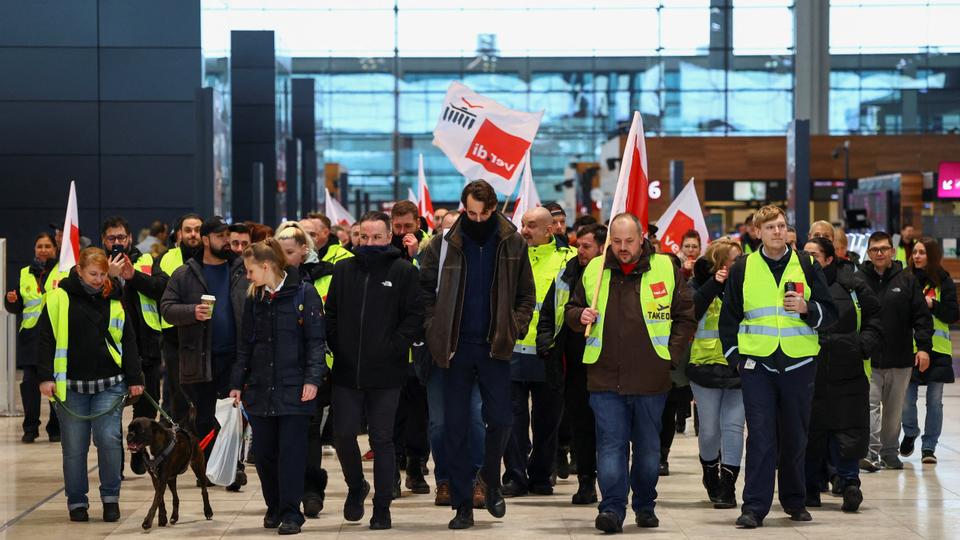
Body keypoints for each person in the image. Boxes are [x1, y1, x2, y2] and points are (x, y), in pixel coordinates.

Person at [564, 213, 696, 533]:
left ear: (641, 239)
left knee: (648, 448)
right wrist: (579, 315)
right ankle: (611, 508)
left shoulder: (665, 268)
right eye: (618, 241)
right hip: (604, 376)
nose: (623, 248)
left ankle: (645, 504)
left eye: (630, 241)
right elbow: (571, 310)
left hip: (652, 378)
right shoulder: (594, 270)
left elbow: (685, 317)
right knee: (610, 445)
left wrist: (669, 357)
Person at [419, 180, 536, 530]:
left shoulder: (512, 241)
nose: (478, 219)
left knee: (501, 419)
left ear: (494, 208)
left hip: (495, 346)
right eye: (471, 212)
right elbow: (424, 291)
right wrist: (433, 327)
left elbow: (525, 295)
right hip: (454, 348)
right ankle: (462, 505)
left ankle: (489, 479)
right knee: (455, 428)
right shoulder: (443, 244)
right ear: (463, 207)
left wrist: (514, 326)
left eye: (485, 213)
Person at [718, 205, 837, 528]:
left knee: (796, 436)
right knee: (760, 437)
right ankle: (754, 507)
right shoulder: (743, 268)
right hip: (757, 366)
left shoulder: (807, 265)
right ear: (757, 232)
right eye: (770, 227)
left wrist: (807, 308)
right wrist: (736, 359)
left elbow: (831, 313)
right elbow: (728, 319)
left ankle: (795, 500)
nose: (777, 232)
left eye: (782, 226)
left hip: (799, 363)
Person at [324, 211, 423, 530]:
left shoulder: (403, 270)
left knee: (382, 439)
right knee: (343, 435)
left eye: (377, 237)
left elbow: (413, 317)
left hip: (387, 372)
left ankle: (382, 506)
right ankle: (356, 487)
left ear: (388, 235)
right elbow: (332, 314)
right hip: (346, 370)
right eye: (363, 237)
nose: (369, 243)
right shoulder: (343, 270)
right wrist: (338, 344)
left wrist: (394, 347)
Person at [36, 247, 144, 522]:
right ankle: (76, 501)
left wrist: (135, 379)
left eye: (102, 274)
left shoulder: (115, 299)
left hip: (109, 385)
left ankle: (110, 498)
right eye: (92, 274)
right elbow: (46, 339)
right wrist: (46, 376)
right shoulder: (59, 298)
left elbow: (128, 341)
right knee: (74, 447)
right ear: (79, 271)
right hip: (70, 387)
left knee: (109, 441)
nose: (98, 280)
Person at [229, 239, 326, 535]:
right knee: (264, 452)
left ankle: (290, 513)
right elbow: (245, 345)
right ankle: (274, 506)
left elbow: (315, 342)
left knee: (292, 454)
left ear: (266, 266)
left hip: (294, 387)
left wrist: (312, 379)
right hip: (259, 388)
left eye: (250, 270)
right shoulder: (254, 298)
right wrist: (237, 383)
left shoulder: (304, 294)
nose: (247, 275)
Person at [159, 217, 248, 475]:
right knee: (207, 417)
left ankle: (232, 468)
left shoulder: (241, 270)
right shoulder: (186, 273)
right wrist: (191, 312)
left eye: (227, 236)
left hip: (235, 357)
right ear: (206, 240)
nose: (227, 241)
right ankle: (210, 468)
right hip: (201, 358)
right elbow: (166, 308)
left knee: (233, 416)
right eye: (220, 237)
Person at [802, 237, 881, 513]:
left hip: (847, 371)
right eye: (805, 254)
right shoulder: (797, 285)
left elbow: (875, 318)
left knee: (847, 431)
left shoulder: (852, 285)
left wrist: (863, 344)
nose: (808, 259)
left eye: (814, 255)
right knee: (811, 433)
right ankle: (809, 489)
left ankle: (849, 484)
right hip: (808, 371)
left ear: (828, 259)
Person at [501, 207, 575, 497]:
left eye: (531, 225)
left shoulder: (567, 260)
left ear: (549, 230)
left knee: (547, 421)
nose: (524, 230)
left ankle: (542, 475)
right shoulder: (510, 257)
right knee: (512, 419)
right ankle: (516, 476)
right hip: (512, 351)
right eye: (522, 224)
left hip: (549, 353)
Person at [537, 223, 606, 505]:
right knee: (582, 426)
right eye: (578, 245)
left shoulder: (610, 277)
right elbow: (548, 310)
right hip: (574, 367)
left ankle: (614, 482)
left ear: (603, 248)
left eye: (586, 246)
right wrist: (546, 342)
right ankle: (586, 482)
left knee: (610, 430)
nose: (580, 251)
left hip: (606, 366)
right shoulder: (568, 274)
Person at [423, 211, 486, 508]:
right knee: (439, 424)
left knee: (474, 419)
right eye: (446, 229)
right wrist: (432, 329)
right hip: (438, 355)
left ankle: (475, 480)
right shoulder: (430, 256)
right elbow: (422, 298)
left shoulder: (481, 256)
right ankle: (445, 480)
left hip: (473, 351)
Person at [859, 231, 932, 471]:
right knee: (869, 408)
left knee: (893, 411)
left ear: (892, 251)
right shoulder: (859, 279)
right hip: (869, 359)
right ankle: (870, 453)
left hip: (900, 359)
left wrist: (923, 348)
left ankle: (890, 452)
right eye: (874, 249)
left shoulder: (907, 280)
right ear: (868, 253)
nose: (879, 253)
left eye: (883, 249)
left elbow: (921, 317)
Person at [100, 216, 163, 475]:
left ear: (130, 238)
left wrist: (132, 275)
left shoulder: (145, 261)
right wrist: (112, 278)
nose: (117, 243)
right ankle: (116, 460)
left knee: (148, 405)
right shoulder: (95, 264)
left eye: (121, 238)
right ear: (104, 240)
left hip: (146, 347)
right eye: (112, 238)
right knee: (111, 411)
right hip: (111, 351)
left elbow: (162, 287)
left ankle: (139, 449)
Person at [687, 237, 744, 509]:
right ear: (720, 263)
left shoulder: (748, 285)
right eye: (735, 260)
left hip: (739, 367)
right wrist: (715, 285)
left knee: (733, 427)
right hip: (705, 367)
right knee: (709, 431)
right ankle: (710, 470)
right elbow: (691, 311)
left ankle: (728, 484)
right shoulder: (698, 284)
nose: (741, 264)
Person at [4, 232, 66, 443]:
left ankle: (55, 428)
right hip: (30, 338)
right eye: (39, 246)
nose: (43, 250)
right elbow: (16, 305)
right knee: (30, 385)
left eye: (47, 246)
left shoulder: (63, 271)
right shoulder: (24, 273)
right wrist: (11, 300)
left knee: (55, 386)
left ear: (55, 249)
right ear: (34, 249)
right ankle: (31, 427)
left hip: (56, 337)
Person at [901, 237, 958, 464]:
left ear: (932, 255)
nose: (916, 256)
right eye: (914, 252)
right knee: (906, 400)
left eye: (922, 252)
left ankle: (928, 447)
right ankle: (911, 431)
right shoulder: (905, 279)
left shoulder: (944, 281)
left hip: (938, 350)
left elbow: (953, 314)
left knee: (934, 401)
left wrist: (934, 305)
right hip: (908, 348)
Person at [145, 214, 204, 422]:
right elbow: (161, 292)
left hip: (204, 334)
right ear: (179, 233)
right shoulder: (167, 258)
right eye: (188, 230)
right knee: (178, 394)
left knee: (201, 396)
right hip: (173, 335)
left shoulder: (211, 258)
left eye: (197, 229)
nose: (193, 234)